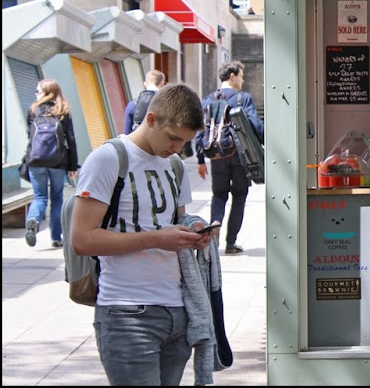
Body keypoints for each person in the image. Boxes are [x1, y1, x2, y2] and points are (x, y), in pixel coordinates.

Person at [70, 83, 215, 386]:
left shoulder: (174, 165)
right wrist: (156, 238)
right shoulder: (108, 159)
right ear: (151, 119)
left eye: (185, 143)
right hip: (127, 313)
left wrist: (195, 233)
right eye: (173, 138)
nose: (177, 148)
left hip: (177, 309)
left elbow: (176, 220)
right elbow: (82, 239)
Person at [194, 60, 264, 254]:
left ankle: (215, 223)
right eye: (241, 75)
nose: (243, 80)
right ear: (232, 76)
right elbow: (256, 126)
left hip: (216, 155)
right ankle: (231, 243)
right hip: (240, 155)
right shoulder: (243, 98)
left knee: (219, 194)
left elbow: (201, 131)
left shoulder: (208, 99)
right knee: (239, 196)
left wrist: (201, 160)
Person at [25, 79, 79, 248]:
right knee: (56, 199)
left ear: (47, 92)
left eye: (38, 91)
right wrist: (73, 165)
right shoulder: (63, 111)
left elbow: (29, 136)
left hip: (36, 161)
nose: (36, 94)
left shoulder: (33, 110)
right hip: (58, 162)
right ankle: (56, 237)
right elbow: (71, 140)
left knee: (39, 197)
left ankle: (33, 219)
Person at [123, 69, 166, 135]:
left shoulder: (133, 104)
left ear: (145, 84)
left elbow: (127, 132)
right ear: (162, 83)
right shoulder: (167, 102)